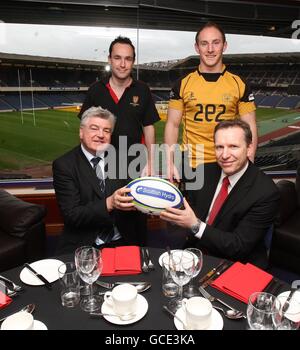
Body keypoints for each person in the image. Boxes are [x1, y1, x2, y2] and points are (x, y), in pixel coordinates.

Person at [160, 120, 279, 269]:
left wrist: (195, 225)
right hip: (195, 254)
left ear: (249, 148)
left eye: (233, 147)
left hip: (235, 265)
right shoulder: (203, 171)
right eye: (219, 147)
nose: (224, 155)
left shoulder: (266, 191)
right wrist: (144, 202)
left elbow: (238, 246)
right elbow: (187, 212)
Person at [164, 22, 257, 196]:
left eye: (216, 42)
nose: (210, 49)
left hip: (229, 161)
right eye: (204, 43)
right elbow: (172, 125)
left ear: (225, 46)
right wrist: (170, 163)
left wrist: (249, 161)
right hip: (193, 163)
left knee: (226, 218)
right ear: (197, 48)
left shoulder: (239, 84)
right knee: (193, 219)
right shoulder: (182, 84)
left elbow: (250, 126)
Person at [53, 106, 143, 254]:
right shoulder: (64, 165)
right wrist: (110, 203)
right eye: (94, 128)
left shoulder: (124, 160)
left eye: (106, 130)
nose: (101, 135)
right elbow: (72, 215)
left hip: (122, 241)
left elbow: (134, 198)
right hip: (85, 244)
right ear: (81, 132)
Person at [78, 36, 160, 176]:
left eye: (128, 59)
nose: (122, 64)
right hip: (101, 165)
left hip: (135, 164)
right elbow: (85, 129)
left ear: (133, 62)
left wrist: (151, 162)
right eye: (117, 58)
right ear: (109, 59)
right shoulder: (96, 90)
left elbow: (148, 127)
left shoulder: (142, 89)